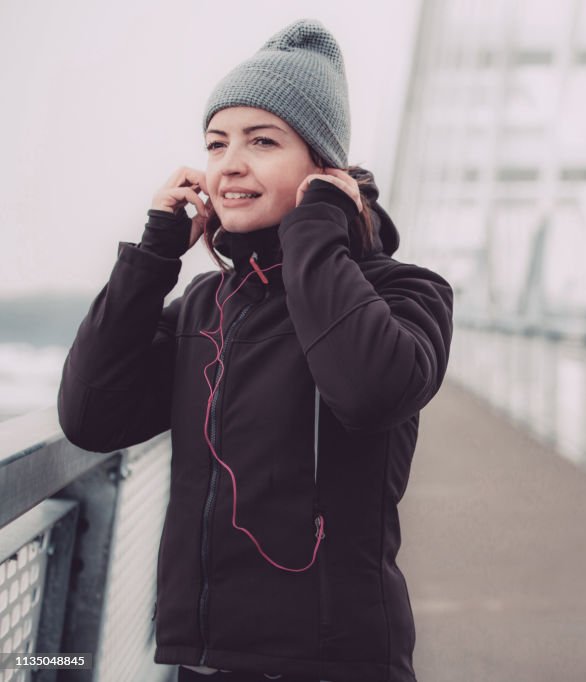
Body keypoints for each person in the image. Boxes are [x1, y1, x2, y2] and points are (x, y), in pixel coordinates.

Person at [57, 18, 453, 682]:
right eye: (216, 144)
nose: (229, 165)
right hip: (203, 665)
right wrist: (154, 256)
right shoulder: (206, 306)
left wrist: (318, 226)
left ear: (325, 168)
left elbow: (368, 389)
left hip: (337, 665)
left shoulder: (406, 292)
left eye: (262, 141)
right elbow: (91, 415)